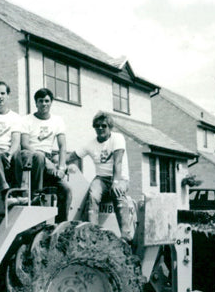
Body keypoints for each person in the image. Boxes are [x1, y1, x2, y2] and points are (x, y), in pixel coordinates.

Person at [67, 111, 134, 241]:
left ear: (110, 127)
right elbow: (73, 156)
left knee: (118, 194)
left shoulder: (117, 138)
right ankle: (93, 232)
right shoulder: (90, 144)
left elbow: (118, 162)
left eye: (104, 126)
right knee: (93, 195)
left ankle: (126, 234)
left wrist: (116, 182)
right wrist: (59, 161)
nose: (100, 128)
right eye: (97, 126)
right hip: (101, 178)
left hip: (120, 177)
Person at [20, 88, 72, 222]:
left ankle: (60, 225)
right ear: (36, 103)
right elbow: (24, 143)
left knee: (66, 189)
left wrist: (61, 167)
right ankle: (35, 198)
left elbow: (62, 146)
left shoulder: (57, 120)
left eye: (47, 101)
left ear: (51, 102)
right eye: (41, 101)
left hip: (48, 161)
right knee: (39, 156)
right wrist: (44, 159)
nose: (44, 104)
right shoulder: (27, 120)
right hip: (31, 159)